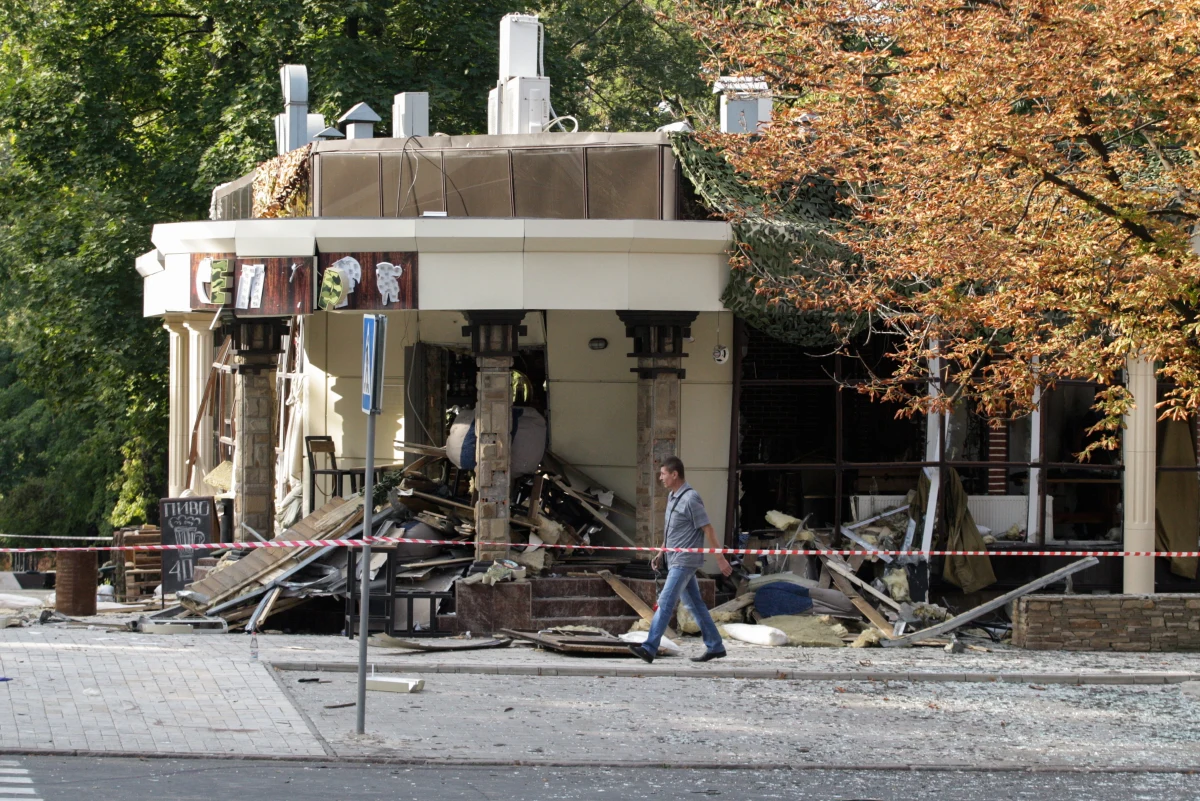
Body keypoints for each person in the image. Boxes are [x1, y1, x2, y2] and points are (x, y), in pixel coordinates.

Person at [629, 456, 733, 664]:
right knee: (695, 604)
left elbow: (708, 528)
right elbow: (670, 531)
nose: (660, 478)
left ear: (675, 474)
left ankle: (649, 647)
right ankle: (715, 645)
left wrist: (720, 558)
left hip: (685, 560)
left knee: (666, 602)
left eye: (663, 474)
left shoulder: (691, 498)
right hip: (674, 557)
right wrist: (661, 553)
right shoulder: (672, 497)